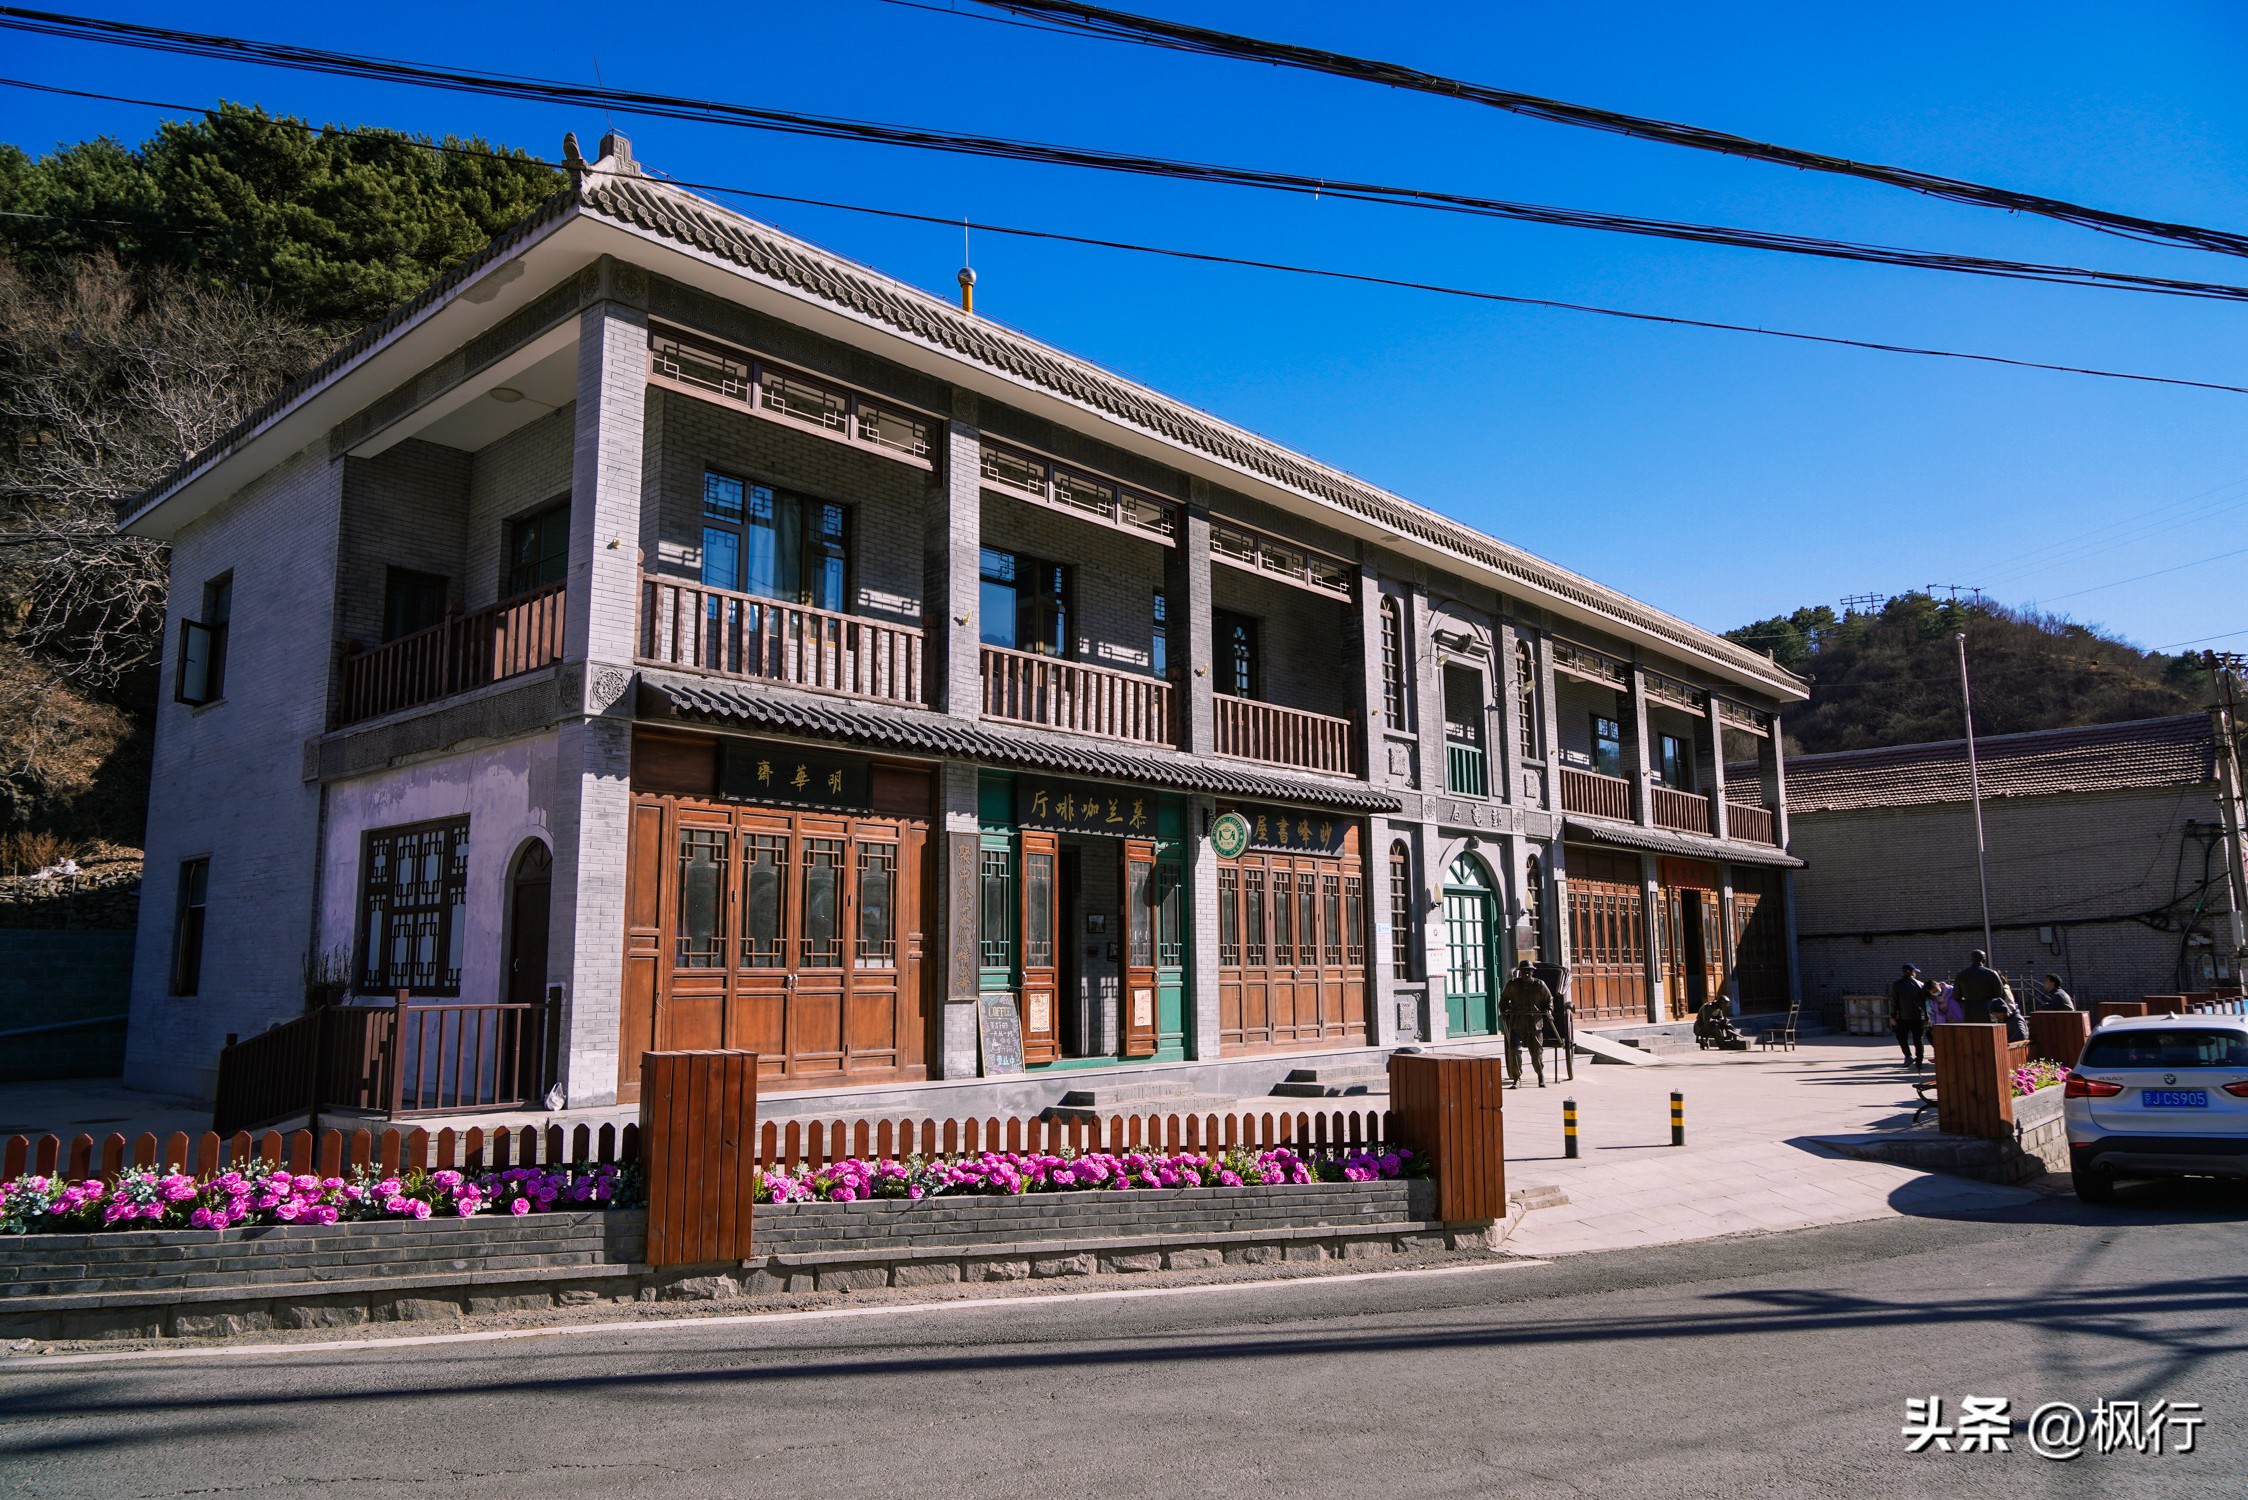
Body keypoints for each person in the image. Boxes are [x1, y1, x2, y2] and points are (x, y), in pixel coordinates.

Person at [1499, 961, 1553, 1088]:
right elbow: (1503, 999)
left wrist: (1548, 1010)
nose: (1526, 973)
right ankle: (1517, 1078)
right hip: (1517, 1022)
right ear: (1520, 972)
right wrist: (1504, 1009)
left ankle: (1540, 1074)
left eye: (1529, 971)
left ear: (1533, 972)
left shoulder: (1539, 984)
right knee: (1514, 1050)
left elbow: (1549, 1000)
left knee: (1536, 1053)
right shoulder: (1512, 985)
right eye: (1524, 971)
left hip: (1534, 1023)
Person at [1956, 950, 2028, 1042]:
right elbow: (2000, 994)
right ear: (1984, 960)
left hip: (1969, 1011)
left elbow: (1956, 996)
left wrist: (1967, 1003)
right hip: (1988, 1009)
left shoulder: (1961, 975)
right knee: (1989, 1039)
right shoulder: (1991, 973)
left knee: (1972, 1039)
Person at [1888, 963, 1932, 1069]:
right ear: (1912, 972)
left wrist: (1893, 1015)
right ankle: (1919, 1061)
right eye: (1915, 971)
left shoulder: (1897, 985)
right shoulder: (1921, 984)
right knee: (1918, 1039)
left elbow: (1893, 1001)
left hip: (1903, 1016)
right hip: (1919, 1016)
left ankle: (1908, 1056)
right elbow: (1926, 1002)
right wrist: (1927, 1017)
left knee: (1901, 1037)